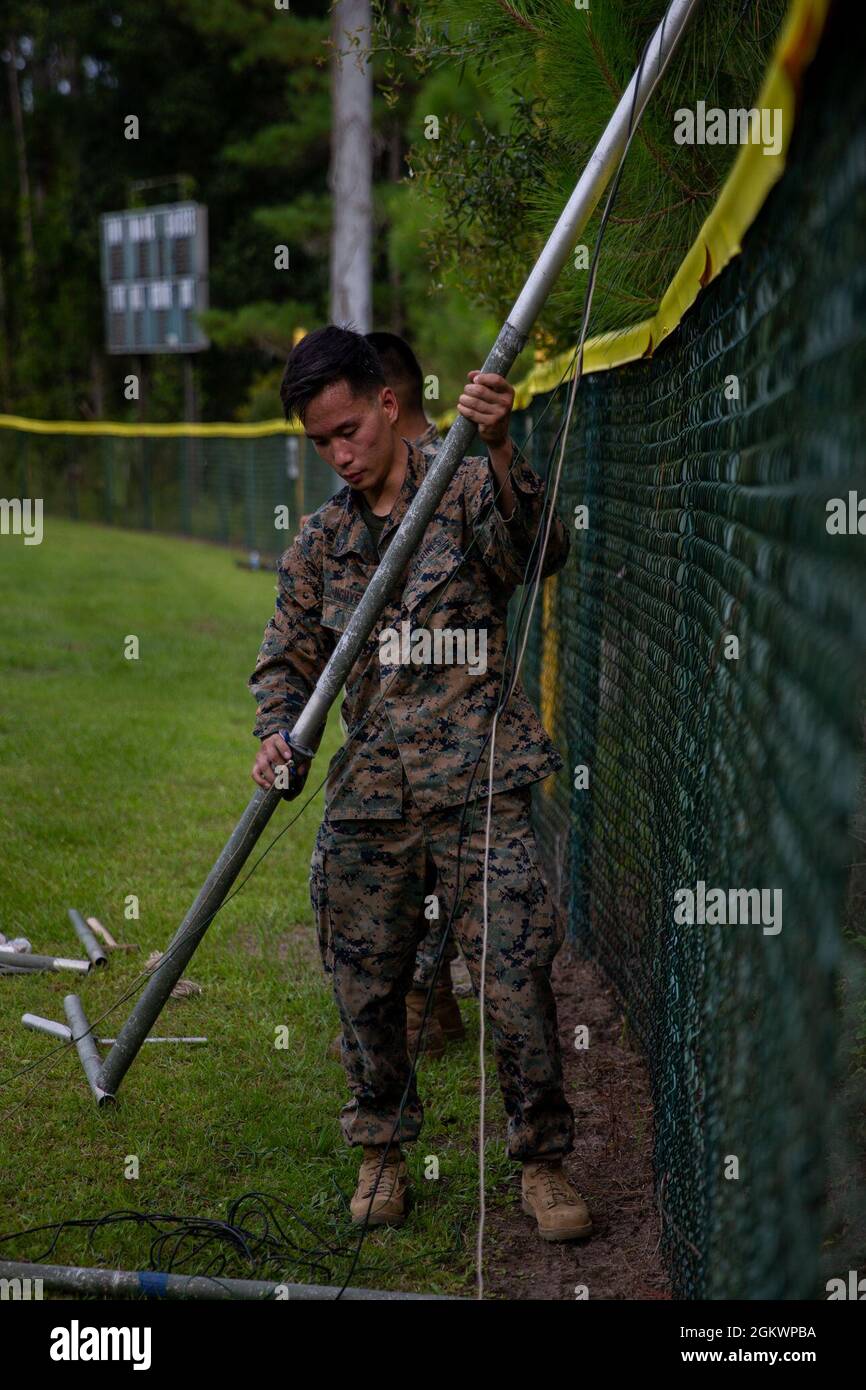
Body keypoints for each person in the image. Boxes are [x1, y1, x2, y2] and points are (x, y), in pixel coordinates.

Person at [248, 325, 592, 1242]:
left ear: (388, 405)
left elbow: (540, 550)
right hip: (374, 793)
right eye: (321, 442)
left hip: (481, 776)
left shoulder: (466, 486)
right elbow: (285, 660)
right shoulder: (320, 543)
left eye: (350, 429)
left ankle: (544, 1163)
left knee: (516, 975)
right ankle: (383, 1151)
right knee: (364, 980)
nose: (340, 454)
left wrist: (502, 444)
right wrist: (276, 733)